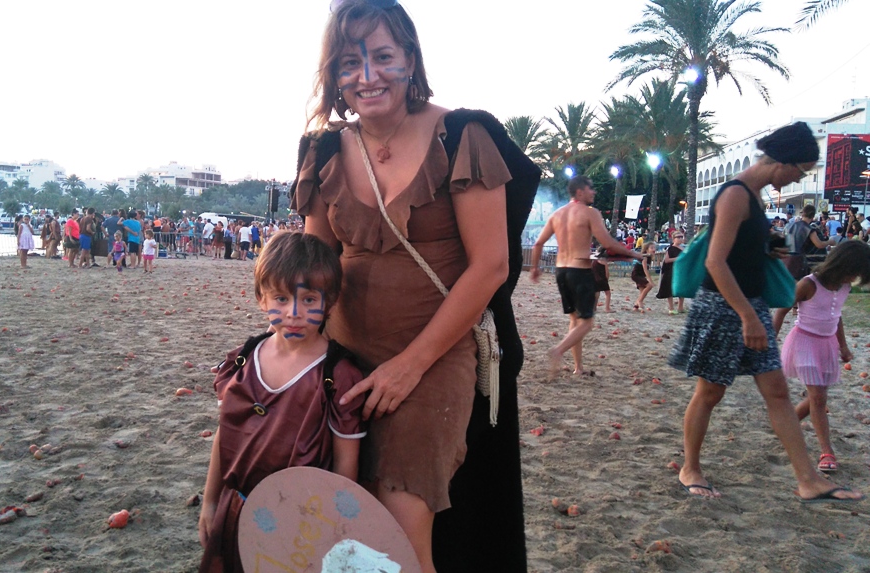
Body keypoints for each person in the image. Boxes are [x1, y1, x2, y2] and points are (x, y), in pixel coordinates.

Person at [292, 3, 535, 569]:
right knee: (343, 515)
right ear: (334, 74)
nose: (367, 76)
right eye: (349, 63)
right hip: (343, 358)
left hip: (434, 357)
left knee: (400, 530)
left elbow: (490, 266)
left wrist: (410, 365)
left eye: (382, 56)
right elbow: (315, 267)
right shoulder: (325, 150)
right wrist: (287, 351)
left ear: (410, 59)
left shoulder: (462, 135)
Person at [668, 121, 863, 503]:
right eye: (801, 171)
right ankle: (690, 468)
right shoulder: (735, 194)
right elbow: (715, 263)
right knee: (710, 392)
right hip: (723, 307)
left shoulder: (754, 196)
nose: (798, 179)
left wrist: (767, 248)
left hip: (749, 304)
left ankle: (808, 480)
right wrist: (748, 316)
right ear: (783, 161)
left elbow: (739, 252)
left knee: (777, 392)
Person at [198, 232, 366, 573]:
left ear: (330, 301)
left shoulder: (337, 375)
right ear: (261, 299)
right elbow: (224, 435)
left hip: (302, 523)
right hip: (236, 509)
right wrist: (210, 500)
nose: (294, 313)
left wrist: (331, 528)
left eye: (309, 300)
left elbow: (345, 470)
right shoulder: (242, 362)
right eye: (281, 298)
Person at [771, 240, 870, 473]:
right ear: (842, 265)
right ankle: (827, 451)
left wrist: (843, 346)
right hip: (804, 342)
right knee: (818, 398)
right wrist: (770, 342)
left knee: (818, 396)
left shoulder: (844, 287)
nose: (854, 278)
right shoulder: (809, 284)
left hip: (827, 345)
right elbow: (782, 310)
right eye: (854, 272)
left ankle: (786, 425)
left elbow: (836, 316)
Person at [531, 176, 643, 377]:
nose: (594, 192)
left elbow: (538, 243)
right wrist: (633, 253)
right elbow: (607, 243)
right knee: (587, 322)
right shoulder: (590, 213)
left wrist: (534, 268)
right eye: (591, 188)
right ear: (580, 192)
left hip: (561, 271)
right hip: (579, 271)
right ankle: (558, 350)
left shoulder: (557, 214)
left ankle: (578, 367)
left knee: (575, 321)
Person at [656, 231, 686, 315]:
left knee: (681, 289)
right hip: (671, 271)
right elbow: (667, 260)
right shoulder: (670, 248)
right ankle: (671, 308)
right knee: (669, 289)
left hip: (680, 270)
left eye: (681, 237)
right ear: (673, 239)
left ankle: (680, 307)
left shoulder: (683, 248)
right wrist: (678, 258)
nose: (680, 239)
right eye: (678, 237)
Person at [631, 241, 656, 312]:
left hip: (641, 275)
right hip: (636, 275)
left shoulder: (649, 257)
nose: (654, 249)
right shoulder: (645, 257)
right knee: (649, 286)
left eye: (654, 248)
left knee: (642, 292)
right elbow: (645, 270)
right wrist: (650, 280)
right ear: (646, 249)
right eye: (651, 248)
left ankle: (636, 306)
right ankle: (640, 301)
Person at [592, 248, 612, 313]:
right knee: (608, 294)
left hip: (595, 279)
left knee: (597, 294)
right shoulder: (604, 261)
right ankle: (607, 308)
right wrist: (607, 279)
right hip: (602, 279)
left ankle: (594, 308)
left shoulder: (594, 261)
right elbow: (607, 272)